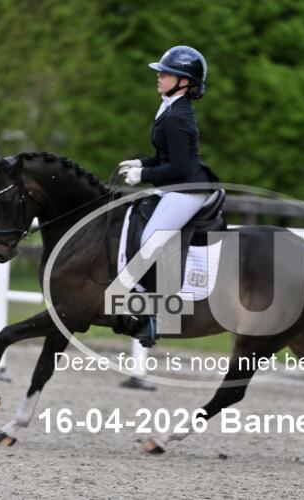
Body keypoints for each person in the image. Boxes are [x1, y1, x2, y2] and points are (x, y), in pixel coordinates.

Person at [117, 45, 220, 351]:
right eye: (161, 72)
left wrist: (143, 175)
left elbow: (179, 168)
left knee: (151, 241)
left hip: (188, 189)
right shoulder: (169, 108)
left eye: (166, 73)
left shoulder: (178, 116)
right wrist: (141, 163)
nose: (159, 76)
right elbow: (166, 157)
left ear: (184, 82)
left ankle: (157, 316)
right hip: (176, 185)